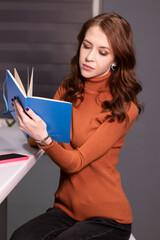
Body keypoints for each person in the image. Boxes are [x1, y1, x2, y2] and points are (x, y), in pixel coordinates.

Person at [10, 13, 143, 240]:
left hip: (107, 218)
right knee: (19, 237)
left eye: (102, 52)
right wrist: (30, 125)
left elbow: (75, 162)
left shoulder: (124, 107)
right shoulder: (69, 87)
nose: (89, 57)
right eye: (86, 46)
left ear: (116, 60)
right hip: (65, 210)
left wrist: (44, 138)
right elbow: (43, 139)